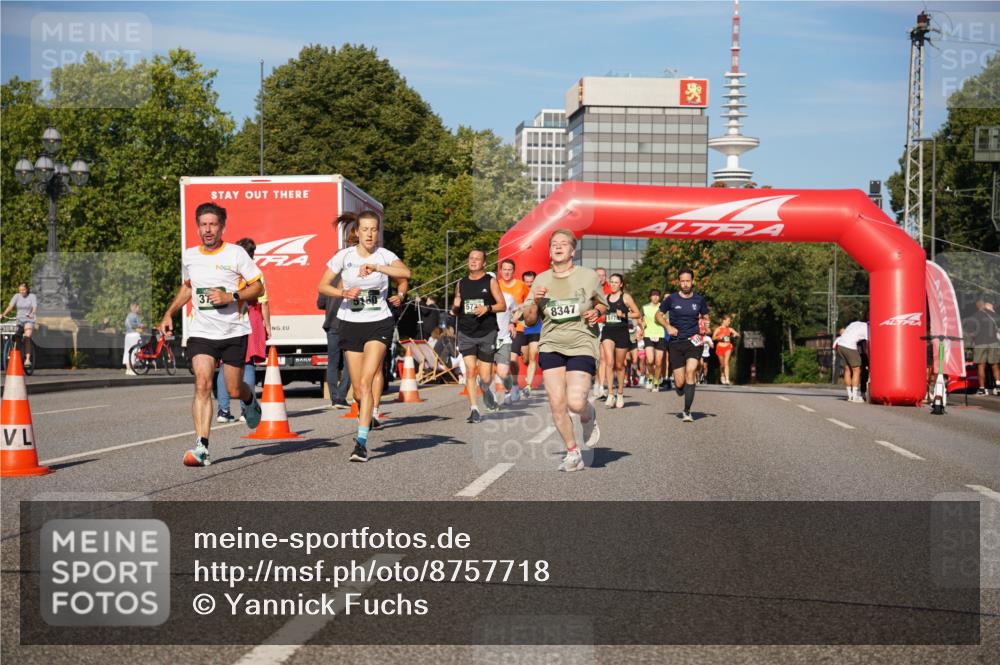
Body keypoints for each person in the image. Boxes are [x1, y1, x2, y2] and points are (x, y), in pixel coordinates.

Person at [159, 202, 264, 467]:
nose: (208, 229)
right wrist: (169, 313)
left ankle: (250, 400)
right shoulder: (190, 256)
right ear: (198, 227)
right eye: (203, 224)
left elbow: (258, 287)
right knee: (203, 384)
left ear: (222, 227)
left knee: (233, 388)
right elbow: (188, 287)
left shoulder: (236, 253)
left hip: (233, 332)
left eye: (213, 224)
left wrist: (232, 296)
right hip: (202, 332)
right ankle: (202, 447)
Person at [318, 210, 410, 462]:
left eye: (374, 230)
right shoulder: (344, 257)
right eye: (365, 230)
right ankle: (365, 413)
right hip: (350, 323)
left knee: (367, 381)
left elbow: (406, 274)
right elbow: (322, 286)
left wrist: (380, 268)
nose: (370, 234)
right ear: (357, 232)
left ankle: (360, 442)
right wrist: (343, 293)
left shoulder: (385, 255)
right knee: (358, 390)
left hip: (379, 323)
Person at [522, 229, 608, 472]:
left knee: (576, 401)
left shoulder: (588, 276)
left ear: (572, 250)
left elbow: (602, 303)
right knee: (557, 403)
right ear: (550, 251)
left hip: (581, 341)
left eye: (564, 244)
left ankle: (588, 415)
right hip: (551, 342)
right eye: (554, 244)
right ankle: (573, 452)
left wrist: (597, 312)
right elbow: (529, 320)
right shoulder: (541, 280)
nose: (558, 247)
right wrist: (536, 302)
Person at [216, 238, 271, 422]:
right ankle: (245, 410)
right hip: (251, 317)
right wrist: (267, 326)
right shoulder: (255, 273)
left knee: (226, 363)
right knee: (248, 364)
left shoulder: (229, 271)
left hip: (230, 316)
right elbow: (263, 302)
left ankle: (223, 410)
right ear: (252, 254)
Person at [453, 250, 506, 422]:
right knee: (469, 370)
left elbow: (502, 305)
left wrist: (487, 308)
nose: (473, 261)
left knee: (485, 377)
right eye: (471, 258)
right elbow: (456, 308)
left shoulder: (490, 281)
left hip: (486, 332)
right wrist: (455, 307)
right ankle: (474, 409)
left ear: (484, 263)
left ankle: (486, 389)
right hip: (466, 331)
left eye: (477, 259)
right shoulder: (461, 283)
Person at [656, 268, 710, 422]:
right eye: (682, 281)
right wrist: (668, 327)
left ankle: (687, 411)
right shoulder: (671, 299)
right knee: (680, 383)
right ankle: (679, 387)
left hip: (693, 341)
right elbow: (658, 315)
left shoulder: (699, 300)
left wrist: (706, 326)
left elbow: (706, 316)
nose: (685, 284)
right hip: (675, 343)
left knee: (691, 371)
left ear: (692, 281)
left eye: (688, 281)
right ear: (679, 282)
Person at [318, 214, 356, 409]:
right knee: (350, 360)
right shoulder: (352, 274)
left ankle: (334, 397)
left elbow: (320, 303)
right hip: (347, 322)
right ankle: (342, 395)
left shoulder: (329, 279)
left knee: (333, 361)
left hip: (331, 323)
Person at [599, 273, 641, 408]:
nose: (613, 284)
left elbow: (637, 313)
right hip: (608, 332)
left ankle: (620, 394)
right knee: (609, 362)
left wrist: (624, 314)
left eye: (616, 282)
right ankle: (610, 394)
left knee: (620, 365)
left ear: (621, 284)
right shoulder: (605, 298)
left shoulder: (626, 297)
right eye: (611, 282)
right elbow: (599, 311)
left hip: (622, 333)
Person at [498, 259, 530, 402]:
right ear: (500, 270)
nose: (507, 272)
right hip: (499, 329)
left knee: (512, 360)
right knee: (501, 364)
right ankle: (508, 389)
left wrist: (519, 310)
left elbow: (529, 302)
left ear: (513, 271)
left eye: (510, 269)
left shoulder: (521, 285)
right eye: (504, 269)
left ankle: (515, 385)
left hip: (517, 328)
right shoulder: (496, 285)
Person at [967, 297, 1000, 396]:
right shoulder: (995, 315)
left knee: (981, 366)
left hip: (980, 343)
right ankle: (998, 387)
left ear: (977, 306)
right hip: (993, 343)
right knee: (995, 365)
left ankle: (982, 389)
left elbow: (971, 333)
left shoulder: (975, 316)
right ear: (985, 305)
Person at [832, 319, 869, 403]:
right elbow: (869, 343)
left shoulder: (854, 323)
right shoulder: (867, 329)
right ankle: (855, 396)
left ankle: (850, 395)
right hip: (849, 347)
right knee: (857, 370)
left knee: (847, 369)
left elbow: (844, 331)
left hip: (840, 345)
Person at [2, 283, 37, 368]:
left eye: (23, 290)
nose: (21, 292)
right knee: (17, 336)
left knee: (27, 337)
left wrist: (31, 313)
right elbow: (10, 306)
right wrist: (3, 314)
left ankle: (27, 360)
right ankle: (17, 354)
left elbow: (34, 307)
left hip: (29, 319)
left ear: (27, 289)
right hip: (19, 320)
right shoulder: (16, 296)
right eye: (20, 290)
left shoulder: (32, 296)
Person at [642, 289, 668, 392]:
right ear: (650, 297)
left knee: (658, 362)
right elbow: (641, 320)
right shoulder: (645, 307)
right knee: (650, 360)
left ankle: (656, 382)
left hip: (660, 335)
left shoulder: (663, 307)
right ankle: (651, 376)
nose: (655, 297)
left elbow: (667, 320)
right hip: (648, 335)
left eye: (657, 295)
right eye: (653, 295)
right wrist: (641, 326)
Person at [520, 270, 541, 397]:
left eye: (531, 282)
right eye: (526, 282)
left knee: (533, 356)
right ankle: (533, 367)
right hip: (522, 329)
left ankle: (528, 385)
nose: (529, 285)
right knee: (526, 358)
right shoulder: (519, 293)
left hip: (536, 328)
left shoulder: (538, 293)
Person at [713, 314, 740, 385]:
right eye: (728, 321)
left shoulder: (730, 329)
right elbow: (713, 338)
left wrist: (735, 335)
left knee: (726, 362)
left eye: (730, 321)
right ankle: (722, 374)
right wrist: (719, 337)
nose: (729, 322)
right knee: (722, 364)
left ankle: (727, 379)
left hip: (728, 346)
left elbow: (738, 334)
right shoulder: (718, 329)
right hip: (720, 347)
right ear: (723, 321)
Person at [122, 301, 145, 375]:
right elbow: (133, 325)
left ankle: (128, 369)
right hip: (134, 335)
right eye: (138, 307)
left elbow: (127, 324)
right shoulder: (134, 315)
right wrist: (140, 325)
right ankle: (132, 369)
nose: (139, 308)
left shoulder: (128, 315)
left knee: (127, 352)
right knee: (134, 352)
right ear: (135, 307)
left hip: (128, 335)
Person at [698, 314, 714, 385]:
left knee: (705, 366)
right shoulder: (698, 337)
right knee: (700, 364)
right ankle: (698, 377)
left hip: (706, 354)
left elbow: (712, 346)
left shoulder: (708, 338)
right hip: (700, 352)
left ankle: (704, 377)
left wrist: (708, 342)